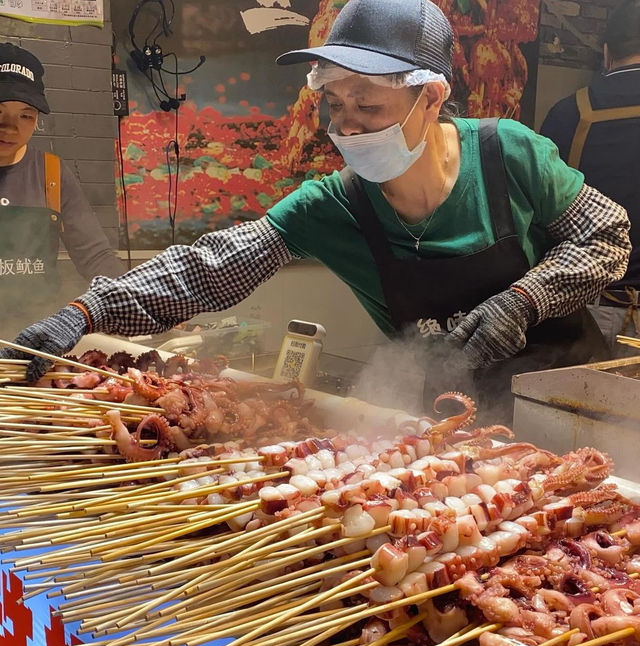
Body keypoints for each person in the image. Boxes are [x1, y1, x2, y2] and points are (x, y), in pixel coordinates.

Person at [0, 0, 631, 424]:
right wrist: (87, 311)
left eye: (369, 104)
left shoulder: (508, 152)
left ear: (431, 96)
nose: (347, 125)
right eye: (334, 103)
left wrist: (521, 302)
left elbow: (607, 235)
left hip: (575, 403)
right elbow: (205, 268)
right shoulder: (336, 203)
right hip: (453, 416)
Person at [0, 42, 124, 338]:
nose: (9, 127)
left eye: (25, 115)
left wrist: (146, 297)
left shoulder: (52, 174)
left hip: (39, 338)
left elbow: (95, 257)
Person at [540, 0, 640, 359]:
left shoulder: (569, 113)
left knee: (571, 413)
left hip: (582, 312)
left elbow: (537, 222)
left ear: (607, 52)